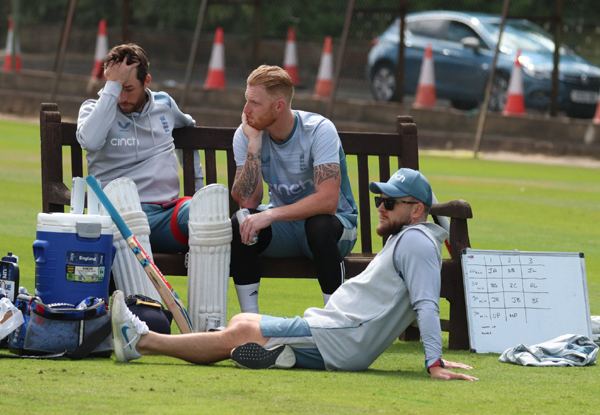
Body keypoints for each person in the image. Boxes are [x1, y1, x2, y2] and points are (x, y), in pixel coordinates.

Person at [111, 168, 478, 380]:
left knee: (241, 331)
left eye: (390, 203)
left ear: (417, 212)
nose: (380, 208)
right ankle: (285, 353)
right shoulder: (411, 238)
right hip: (334, 329)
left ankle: (140, 342)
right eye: (380, 200)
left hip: (339, 336)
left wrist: (434, 362)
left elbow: (427, 305)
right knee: (243, 319)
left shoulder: (415, 243)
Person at [229, 65, 358, 312]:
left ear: (279, 106)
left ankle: (335, 320)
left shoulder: (320, 130)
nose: (245, 110)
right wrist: (254, 144)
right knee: (242, 221)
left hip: (334, 228)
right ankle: (251, 322)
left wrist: (271, 214)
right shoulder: (246, 134)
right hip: (286, 230)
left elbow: (328, 202)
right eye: (246, 101)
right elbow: (248, 201)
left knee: (318, 224)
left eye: (254, 103)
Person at [76, 43, 204, 254]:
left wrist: (198, 191)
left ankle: (210, 289)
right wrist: (113, 87)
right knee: (128, 233)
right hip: (117, 219)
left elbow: (188, 127)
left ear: (146, 82)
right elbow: (89, 142)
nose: (122, 98)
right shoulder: (92, 110)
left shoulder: (165, 105)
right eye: (116, 87)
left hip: (165, 214)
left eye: (129, 89)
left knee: (206, 212)